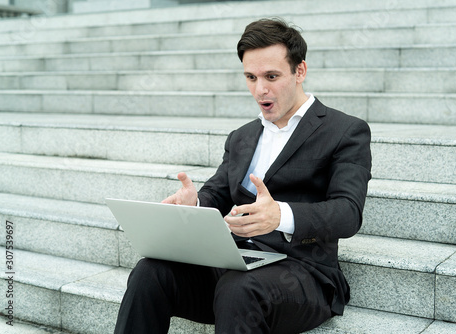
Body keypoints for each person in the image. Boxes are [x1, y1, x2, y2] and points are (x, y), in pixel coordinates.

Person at [114, 18, 372, 334]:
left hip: (303, 274)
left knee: (239, 289)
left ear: (300, 71)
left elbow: (348, 213)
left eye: (271, 76)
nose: (259, 89)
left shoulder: (345, 131)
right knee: (149, 272)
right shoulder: (242, 137)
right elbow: (219, 193)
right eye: (250, 77)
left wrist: (280, 216)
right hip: (235, 263)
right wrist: (194, 205)